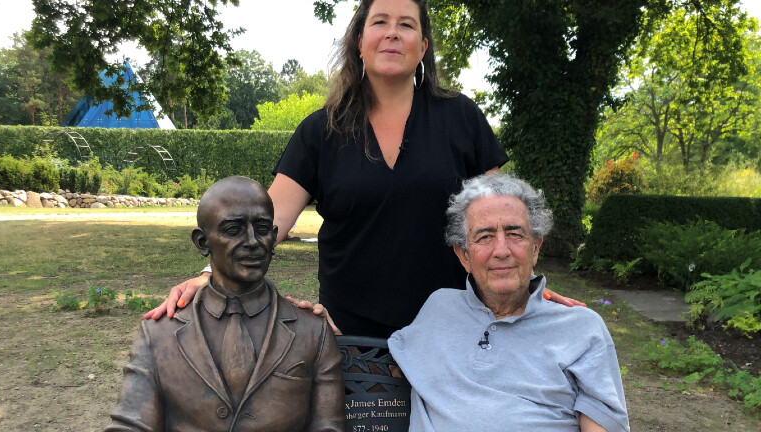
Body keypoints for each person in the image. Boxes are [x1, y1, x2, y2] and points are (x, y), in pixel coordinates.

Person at [145, 0, 583, 337]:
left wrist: (526, 285)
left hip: (456, 329)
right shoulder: (321, 130)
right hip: (348, 335)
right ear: (359, 41)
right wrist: (210, 276)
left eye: (407, 24)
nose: (392, 33)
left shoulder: (462, 118)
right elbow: (267, 222)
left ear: (423, 47)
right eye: (380, 22)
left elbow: (501, 220)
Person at [387, 173, 629, 431]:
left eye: (515, 234)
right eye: (485, 237)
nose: (502, 251)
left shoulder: (582, 327)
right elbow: (379, 369)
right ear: (463, 255)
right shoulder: (438, 309)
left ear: (535, 248)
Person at [107, 176, 345, 432]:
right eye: (233, 229)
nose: (253, 241)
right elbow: (130, 425)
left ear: (274, 237)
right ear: (202, 242)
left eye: (262, 229)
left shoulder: (313, 331)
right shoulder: (158, 334)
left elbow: (328, 426)